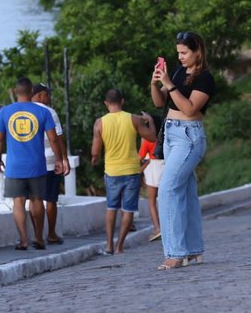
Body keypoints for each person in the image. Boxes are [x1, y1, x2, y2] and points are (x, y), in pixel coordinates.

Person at [150, 32, 215, 270]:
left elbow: (188, 108)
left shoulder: (205, 79)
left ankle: (176, 253)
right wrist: (156, 82)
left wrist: (170, 84)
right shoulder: (177, 72)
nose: (181, 57)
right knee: (186, 193)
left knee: (166, 190)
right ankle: (194, 249)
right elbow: (160, 103)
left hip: (189, 137)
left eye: (184, 52)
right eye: (178, 53)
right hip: (170, 134)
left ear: (197, 51)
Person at [0, 77, 64, 251]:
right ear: (31, 92)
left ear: (15, 92)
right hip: (37, 165)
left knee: (18, 202)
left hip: (14, 166)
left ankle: (23, 240)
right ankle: (39, 237)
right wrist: (60, 159)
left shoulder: (5, 112)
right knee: (37, 200)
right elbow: (54, 139)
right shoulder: (44, 112)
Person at [91, 88, 156, 255]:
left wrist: (94, 159)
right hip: (132, 171)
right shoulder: (133, 119)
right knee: (128, 210)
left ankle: (108, 246)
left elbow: (95, 152)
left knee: (111, 207)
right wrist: (150, 121)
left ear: (106, 103)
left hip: (112, 171)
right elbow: (152, 137)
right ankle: (120, 246)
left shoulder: (100, 123)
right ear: (122, 101)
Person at [31, 83, 70, 244]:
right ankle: (51, 234)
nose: (49, 97)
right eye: (47, 94)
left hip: (31, 163)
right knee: (50, 199)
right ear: (40, 95)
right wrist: (63, 159)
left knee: (34, 200)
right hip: (49, 162)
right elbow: (57, 138)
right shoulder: (49, 112)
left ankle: (37, 234)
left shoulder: (24, 111)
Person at [138, 114, 164, 242]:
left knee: (152, 201)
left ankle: (157, 228)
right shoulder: (164, 136)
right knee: (165, 199)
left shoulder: (147, 140)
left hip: (154, 168)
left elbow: (141, 156)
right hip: (165, 166)